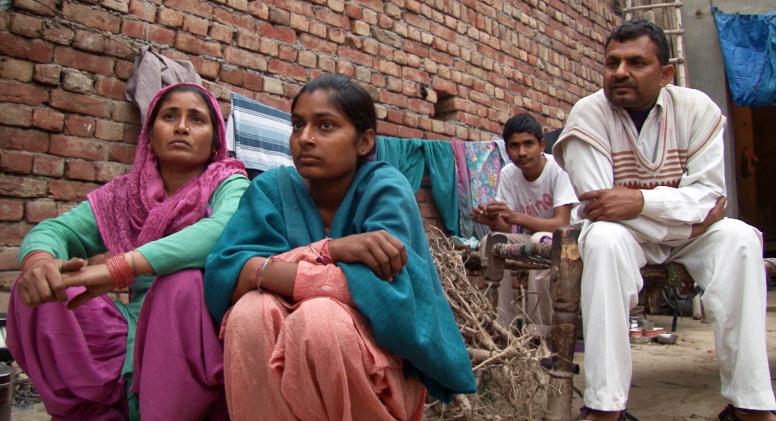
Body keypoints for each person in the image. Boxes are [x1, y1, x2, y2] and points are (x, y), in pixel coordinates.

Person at [205, 74, 476, 420]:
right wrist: (332, 251)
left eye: (325, 126)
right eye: (298, 125)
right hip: (283, 371)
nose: (305, 139)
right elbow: (225, 274)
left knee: (320, 321)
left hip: (377, 377)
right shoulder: (272, 189)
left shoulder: (386, 190)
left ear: (364, 142)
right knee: (248, 314)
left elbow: (389, 295)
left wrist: (266, 271)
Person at [552, 19, 776, 420]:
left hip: (671, 230)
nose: (620, 72)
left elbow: (711, 196)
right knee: (602, 239)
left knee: (740, 239)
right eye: (612, 63)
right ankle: (606, 408)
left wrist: (638, 202)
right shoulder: (588, 115)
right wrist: (688, 214)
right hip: (627, 236)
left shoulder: (696, 109)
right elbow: (601, 207)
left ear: (666, 73)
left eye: (636, 63)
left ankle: (752, 405)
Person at [7, 83, 249, 420]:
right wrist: (40, 260)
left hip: (196, 330)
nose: (181, 127)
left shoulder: (229, 183)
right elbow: (56, 231)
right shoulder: (124, 194)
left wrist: (121, 268)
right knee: (35, 289)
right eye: (170, 117)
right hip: (130, 324)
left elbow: (225, 229)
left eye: (196, 119)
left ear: (214, 142)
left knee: (182, 282)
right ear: (149, 135)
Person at [472, 113, 578, 332]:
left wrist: (517, 217)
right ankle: (503, 326)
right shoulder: (509, 173)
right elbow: (505, 228)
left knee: (541, 240)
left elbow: (562, 224)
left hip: (567, 241)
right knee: (491, 242)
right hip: (531, 236)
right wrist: (491, 220)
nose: (521, 152)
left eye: (528, 144)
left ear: (541, 144)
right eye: (514, 146)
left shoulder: (558, 169)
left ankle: (541, 330)